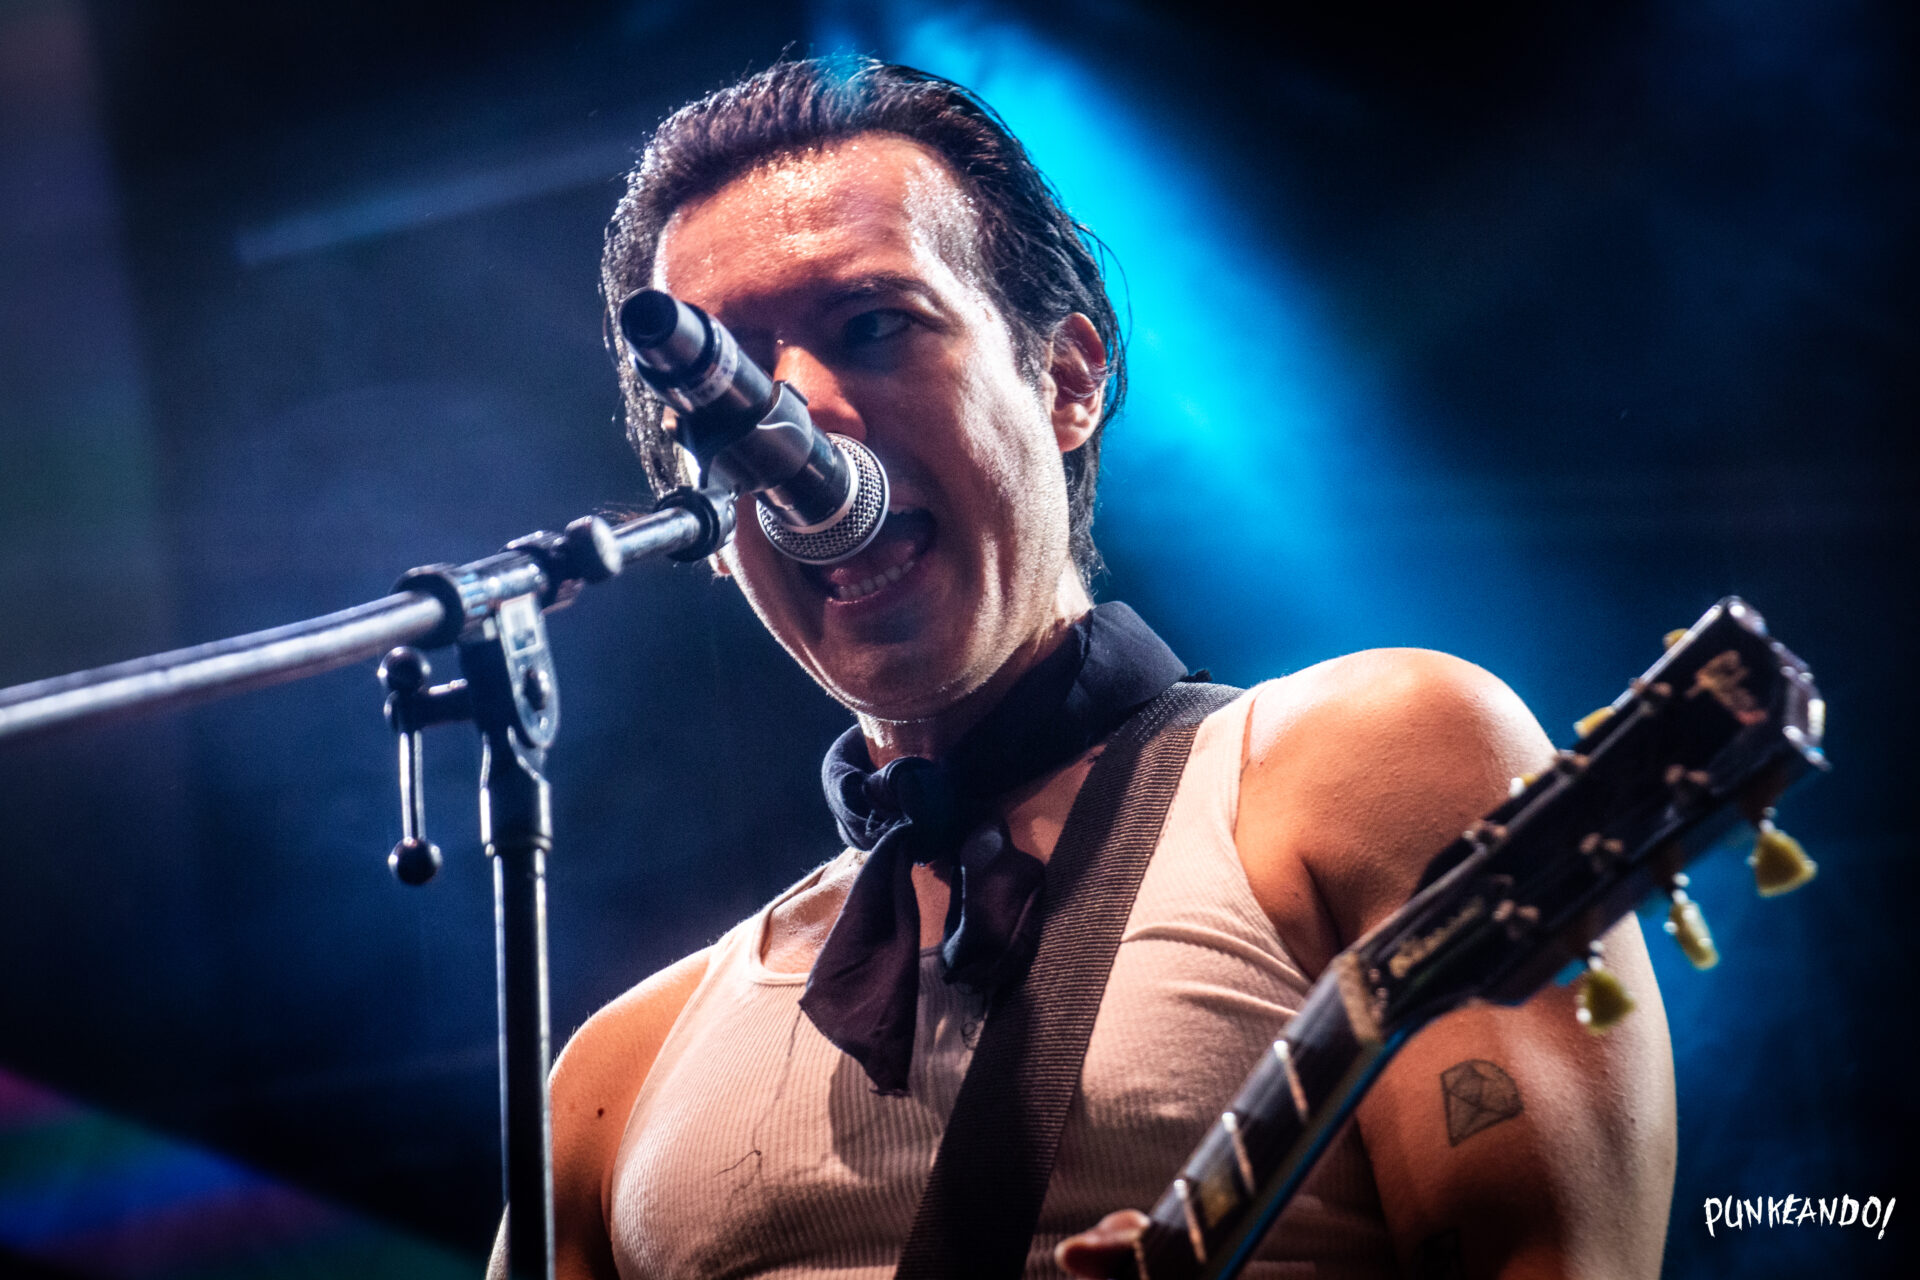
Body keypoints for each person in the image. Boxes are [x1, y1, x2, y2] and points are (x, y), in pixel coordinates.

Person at [493, 57, 1676, 1279]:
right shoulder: (611, 1078)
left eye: (873, 326)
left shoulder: (1375, 761)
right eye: (722, 391)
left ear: (1066, 379)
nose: (791, 423)